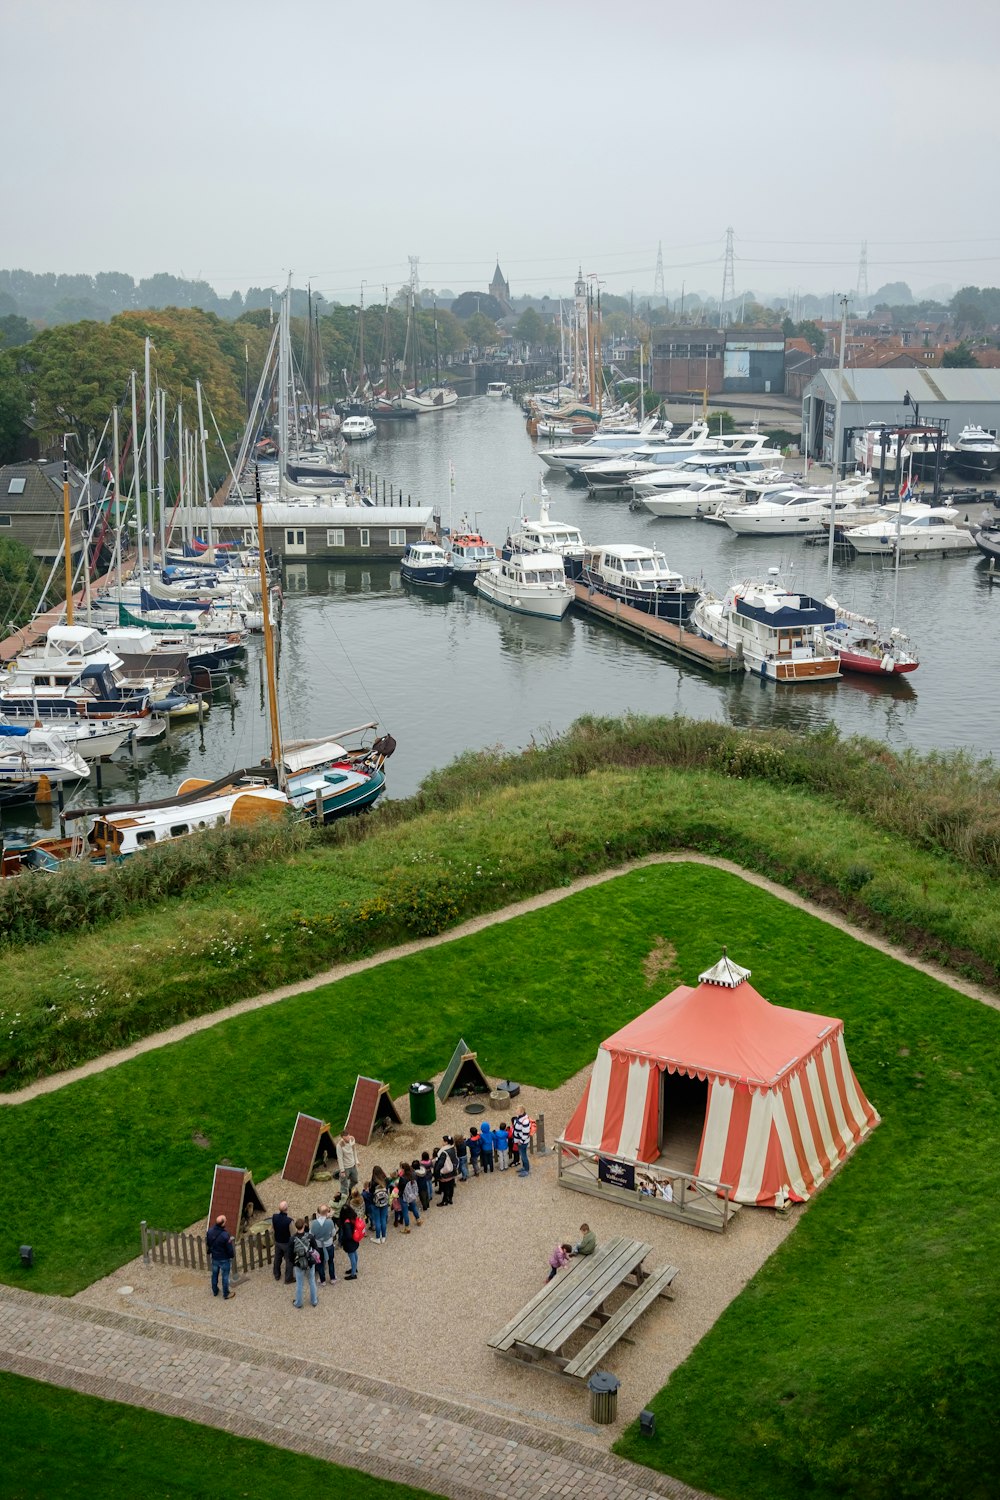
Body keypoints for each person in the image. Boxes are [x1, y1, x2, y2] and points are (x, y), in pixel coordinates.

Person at [206, 1214, 236, 1300]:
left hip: (215, 1257)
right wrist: (231, 1256)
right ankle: (226, 1293)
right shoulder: (225, 1235)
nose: (226, 1221)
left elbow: (208, 1243)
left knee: (214, 1275)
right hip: (224, 1259)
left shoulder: (210, 1231)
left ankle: (215, 1291)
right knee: (225, 1276)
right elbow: (229, 1249)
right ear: (222, 1223)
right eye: (225, 1220)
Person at [291, 1218, 318, 1308]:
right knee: (311, 1281)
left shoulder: (292, 1239)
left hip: (298, 1263)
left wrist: (294, 1262)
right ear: (304, 1226)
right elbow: (316, 1249)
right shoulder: (310, 1237)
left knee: (299, 1284)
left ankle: (298, 1303)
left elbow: (289, 1254)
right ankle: (314, 1301)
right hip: (310, 1262)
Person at [310, 1204, 336, 1283]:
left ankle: (322, 1280)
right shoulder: (330, 1222)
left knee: (320, 1263)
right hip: (328, 1244)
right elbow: (333, 1233)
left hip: (319, 1245)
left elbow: (311, 1235)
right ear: (327, 1212)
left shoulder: (314, 1223)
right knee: (331, 1262)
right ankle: (332, 1278)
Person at [271, 1200, 295, 1284]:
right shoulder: (289, 1221)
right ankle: (288, 1278)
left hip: (278, 1241)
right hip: (287, 1243)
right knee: (289, 1260)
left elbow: (273, 1229)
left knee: (277, 1258)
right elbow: (293, 1234)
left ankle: (276, 1274)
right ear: (286, 1209)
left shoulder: (274, 1217)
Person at [339, 1204, 364, 1276]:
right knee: (355, 1253)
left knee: (351, 1256)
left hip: (349, 1242)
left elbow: (348, 1235)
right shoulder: (353, 1217)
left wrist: (342, 1240)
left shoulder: (346, 1222)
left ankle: (353, 1274)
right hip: (355, 1239)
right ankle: (354, 1268)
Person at [369, 1166, 390, 1244]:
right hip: (384, 1202)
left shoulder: (373, 1182)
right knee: (383, 1219)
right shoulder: (386, 1180)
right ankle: (384, 1237)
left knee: (377, 1220)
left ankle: (378, 1238)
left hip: (376, 1203)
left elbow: (371, 1193)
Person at [400, 1164, 423, 1230]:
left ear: (404, 1169)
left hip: (404, 1196)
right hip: (412, 1195)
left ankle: (407, 1227)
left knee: (405, 1212)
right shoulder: (413, 1175)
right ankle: (418, 1220)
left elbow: (400, 1188)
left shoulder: (402, 1178)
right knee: (414, 1207)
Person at [435, 1137, 457, 1206]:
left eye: (443, 1141)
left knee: (445, 1188)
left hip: (446, 1173)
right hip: (452, 1170)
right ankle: (450, 1199)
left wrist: (437, 1174)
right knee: (451, 1186)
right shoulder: (452, 1148)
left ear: (446, 1142)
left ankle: (445, 1201)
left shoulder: (443, 1152)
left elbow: (440, 1165)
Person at [513, 1110, 532, 1176]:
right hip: (519, 1140)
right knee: (522, 1155)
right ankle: (524, 1167)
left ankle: (526, 1170)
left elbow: (525, 1133)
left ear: (521, 1112)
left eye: (517, 1111)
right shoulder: (519, 1118)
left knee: (524, 1156)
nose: (516, 1112)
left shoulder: (525, 1121)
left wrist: (521, 1141)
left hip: (522, 1142)